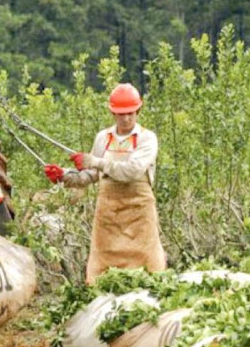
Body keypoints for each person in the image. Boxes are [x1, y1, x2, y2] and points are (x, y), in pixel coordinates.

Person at [44, 83, 166, 284]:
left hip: (139, 212)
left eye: (130, 113)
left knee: (148, 264)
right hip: (108, 212)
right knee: (102, 268)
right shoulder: (103, 138)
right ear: (112, 113)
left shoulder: (147, 138)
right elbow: (90, 176)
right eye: (120, 114)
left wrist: (94, 161)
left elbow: (132, 170)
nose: (126, 118)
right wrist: (64, 176)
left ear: (138, 111)